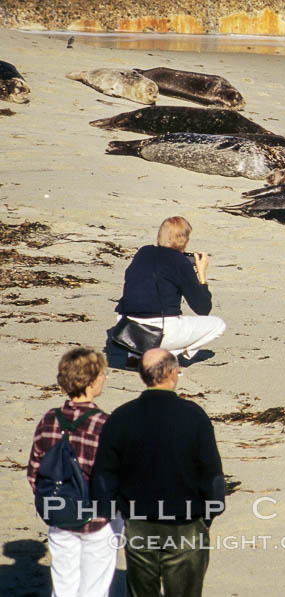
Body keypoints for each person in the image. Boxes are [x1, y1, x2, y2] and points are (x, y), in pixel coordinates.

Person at [91, 348, 225, 597]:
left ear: (142, 375)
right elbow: (211, 472)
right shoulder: (193, 415)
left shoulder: (122, 416)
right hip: (186, 522)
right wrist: (212, 510)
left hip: (139, 522)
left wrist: (110, 510)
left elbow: (105, 474)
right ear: (173, 373)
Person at [27, 347, 121, 597]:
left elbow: (34, 470)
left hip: (59, 513)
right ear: (91, 382)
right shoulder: (104, 423)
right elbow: (115, 474)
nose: (104, 379)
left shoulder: (50, 419)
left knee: (64, 584)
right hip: (97, 519)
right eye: (102, 375)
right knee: (94, 588)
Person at [115, 216, 225, 363]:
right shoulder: (180, 262)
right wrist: (201, 275)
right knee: (218, 325)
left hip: (127, 326)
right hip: (160, 329)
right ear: (184, 240)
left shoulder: (143, 252)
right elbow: (203, 308)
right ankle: (165, 357)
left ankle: (135, 355)